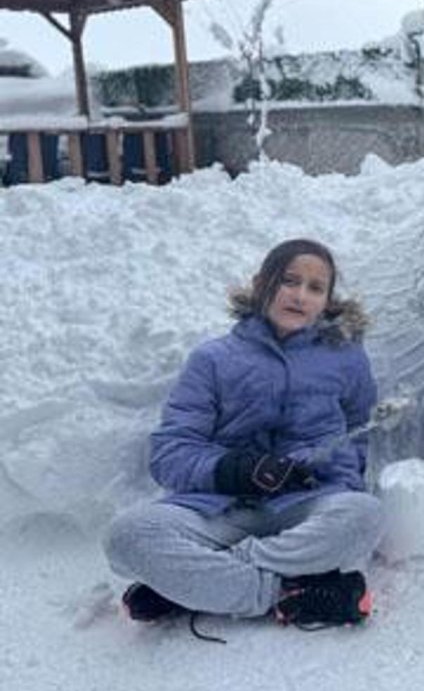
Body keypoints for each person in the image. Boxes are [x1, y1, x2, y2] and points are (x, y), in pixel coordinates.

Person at [104, 239, 383, 633]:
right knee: (126, 536)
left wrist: (328, 475)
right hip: (219, 509)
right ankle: (289, 593)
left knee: (364, 515)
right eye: (289, 281)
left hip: (306, 506)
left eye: (315, 288)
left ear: (326, 301)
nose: (300, 296)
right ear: (261, 283)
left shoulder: (347, 359)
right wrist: (235, 469)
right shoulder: (212, 360)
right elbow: (169, 453)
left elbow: (357, 435)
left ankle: (193, 586)